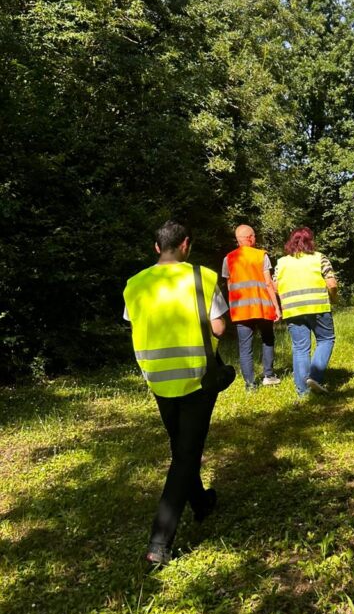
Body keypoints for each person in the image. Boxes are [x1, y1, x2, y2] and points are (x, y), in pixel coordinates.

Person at [123, 220, 228, 567]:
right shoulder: (203, 277)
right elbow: (219, 328)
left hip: (157, 378)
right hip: (197, 377)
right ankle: (159, 542)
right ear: (185, 245)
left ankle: (201, 503)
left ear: (157, 247)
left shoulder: (134, 284)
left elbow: (134, 322)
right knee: (185, 454)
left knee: (182, 446)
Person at [275, 227, 338, 398]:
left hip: (292, 309)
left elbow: (275, 287)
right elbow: (332, 284)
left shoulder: (281, 262)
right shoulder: (319, 258)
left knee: (300, 348)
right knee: (326, 339)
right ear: (310, 241)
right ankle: (314, 377)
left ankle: (302, 392)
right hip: (317, 307)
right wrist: (334, 298)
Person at [222, 224, 280, 390]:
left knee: (245, 347)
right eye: (254, 235)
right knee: (268, 339)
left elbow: (229, 285)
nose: (255, 238)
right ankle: (268, 375)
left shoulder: (228, 259)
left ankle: (250, 384)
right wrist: (276, 307)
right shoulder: (261, 255)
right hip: (262, 307)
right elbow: (268, 283)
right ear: (250, 238)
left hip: (241, 310)